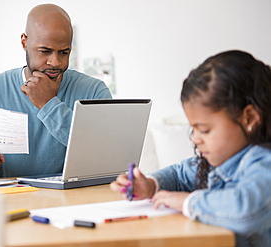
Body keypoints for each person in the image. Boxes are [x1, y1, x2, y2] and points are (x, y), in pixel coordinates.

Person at [110, 50, 271, 246]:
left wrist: (188, 202)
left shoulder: (264, 162)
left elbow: (247, 210)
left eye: (203, 130)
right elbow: (179, 174)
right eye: (193, 129)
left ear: (250, 119)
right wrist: (151, 185)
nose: (194, 138)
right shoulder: (219, 159)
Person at [0, 4, 112, 180]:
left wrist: (48, 104)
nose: (55, 62)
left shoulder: (94, 91)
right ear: (24, 41)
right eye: (45, 51)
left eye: (64, 52)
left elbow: (108, 156)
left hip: (72, 203)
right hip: (9, 204)